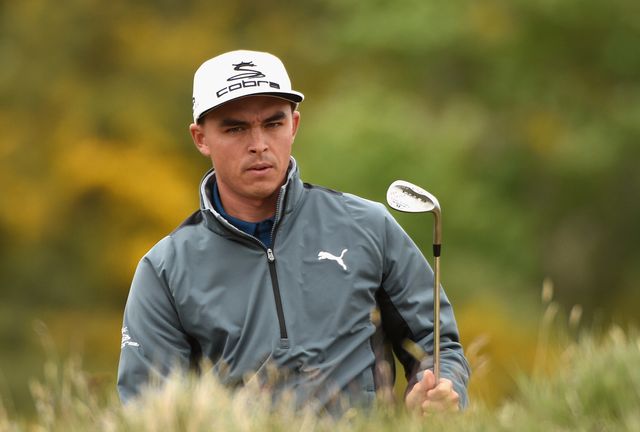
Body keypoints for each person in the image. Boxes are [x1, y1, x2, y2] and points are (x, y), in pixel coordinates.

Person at [117, 50, 470, 414]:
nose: (259, 144)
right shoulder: (164, 269)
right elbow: (149, 408)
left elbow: (437, 345)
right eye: (235, 128)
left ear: (294, 125)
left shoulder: (368, 225)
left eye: (273, 123)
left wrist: (439, 387)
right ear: (200, 138)